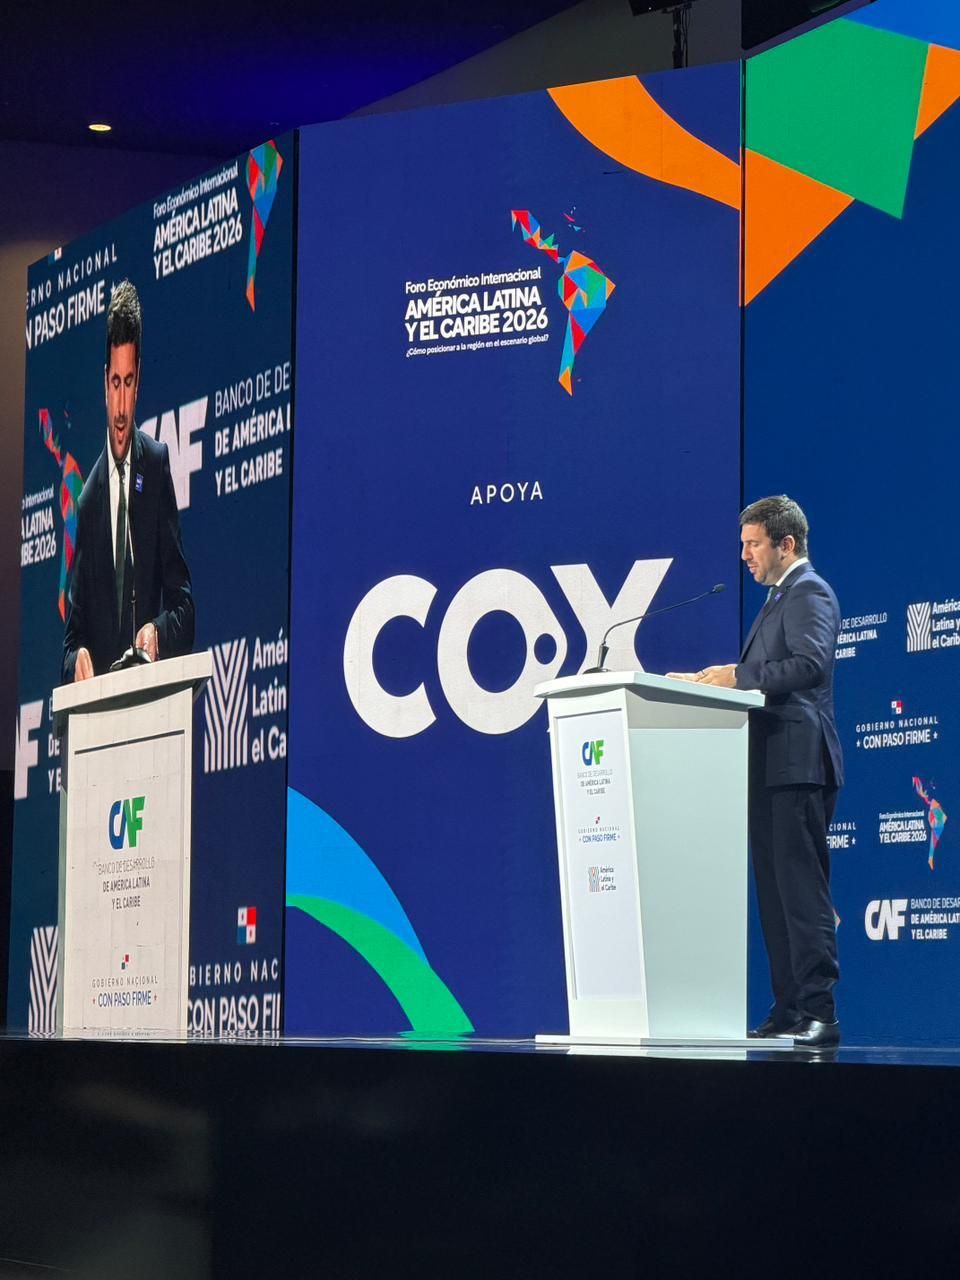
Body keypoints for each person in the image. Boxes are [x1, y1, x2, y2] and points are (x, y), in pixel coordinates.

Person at [669, 495, 842, 1048]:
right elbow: (769, 668)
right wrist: (722, 676)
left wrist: (737, 676)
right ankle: (788, 1007)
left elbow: (809, 665)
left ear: (785, 544)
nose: (744, 555)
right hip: (769, 764)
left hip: (798, 762)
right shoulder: (779, 597)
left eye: (753, 544)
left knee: (800, 893)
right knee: (774, 896)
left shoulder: (809, 591)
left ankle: (819, 1011)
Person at [62, 280, 194, 682]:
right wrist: (77, 660)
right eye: (115, 383)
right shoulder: (88, 501)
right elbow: (71, 644)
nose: (121, 408)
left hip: (151, 698)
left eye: (130, 382)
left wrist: (157, 633)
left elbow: (184, 608)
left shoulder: (154, 466)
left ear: (139, 384)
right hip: (104, 712)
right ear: (105, 383)